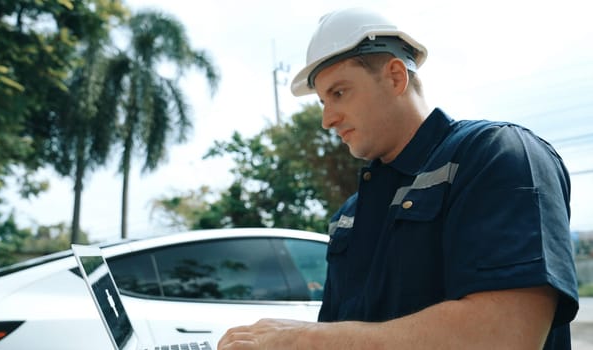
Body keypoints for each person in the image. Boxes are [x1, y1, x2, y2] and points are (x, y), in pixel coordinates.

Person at [218, 7, 579, 349]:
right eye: (322, 102)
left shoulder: (497, 154)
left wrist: (302, 340)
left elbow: (504, 336)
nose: (327, 119)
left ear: (395, 76)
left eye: (339, 93)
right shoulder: (350, 215)